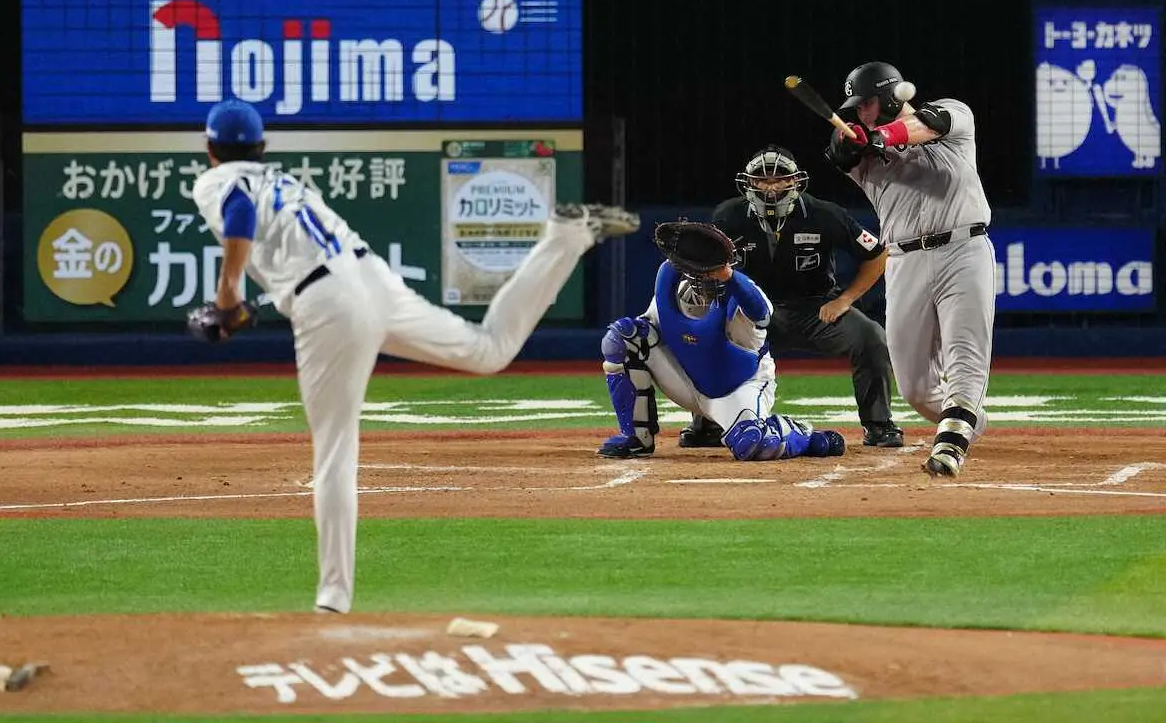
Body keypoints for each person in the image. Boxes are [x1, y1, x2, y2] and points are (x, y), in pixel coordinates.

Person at [187, 99, 640, 613]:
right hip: (371, 278)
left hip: (328, 302)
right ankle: (567, 236)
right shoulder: (286, 181)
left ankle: (333, 598)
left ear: (210, 149)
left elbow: (240, 213)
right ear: (262, 147)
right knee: (488, 350)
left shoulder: (214, 182)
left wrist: (227, 299)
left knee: (335, 448)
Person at [823, 61, 994, 478]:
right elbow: (838, 153)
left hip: (964, 249)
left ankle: (951, 445)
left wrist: (881, 135)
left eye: (865, 104)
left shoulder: (954, 114)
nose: (859, 113)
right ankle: (967, 417)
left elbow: (926, 125)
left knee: (964, 356)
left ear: (887, 97)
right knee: (915, 387)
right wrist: (852, 143)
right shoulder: (864, 154)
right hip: (904, 261)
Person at [677, 145, 903, 450]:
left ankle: (879, 425)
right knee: (705, 338)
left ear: (796, 181)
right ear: (749, 183)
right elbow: (708, 264)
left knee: (871, 337)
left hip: (815, 309)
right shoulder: (728, 216)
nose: (771, 187)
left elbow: (877, 254)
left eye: (780, 178)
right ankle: (707, 424)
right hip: (751, 314)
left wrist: (845, 299)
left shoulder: (825, 214)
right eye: (762, 179)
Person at [596, 220, 846, 462]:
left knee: (755, 444)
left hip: (736, 387)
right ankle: (636, 437)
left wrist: (728, 276)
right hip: (686, 381)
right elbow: (644, 332)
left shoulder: (743, 296)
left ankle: (804, 436)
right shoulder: (671, 287)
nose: (706, 277)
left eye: (713, 270)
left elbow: (761, 312)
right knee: (622, 337)